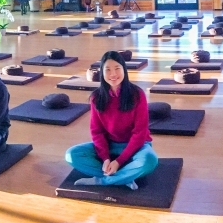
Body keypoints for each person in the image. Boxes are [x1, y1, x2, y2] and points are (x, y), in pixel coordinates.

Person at [65, 51, 157, 189]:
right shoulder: (96, 98)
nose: (113, 74)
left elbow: (140, 133)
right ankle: (124, 176)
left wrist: (119, 161)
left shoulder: (137, 95)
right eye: (107, 70)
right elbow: (97, 132)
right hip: (111, 146)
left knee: (149, 160)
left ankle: (103, 180)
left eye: (117, 69)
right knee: (72, 155)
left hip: (137, 146)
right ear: (102, 73)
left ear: (124, 70)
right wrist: (106, 159)